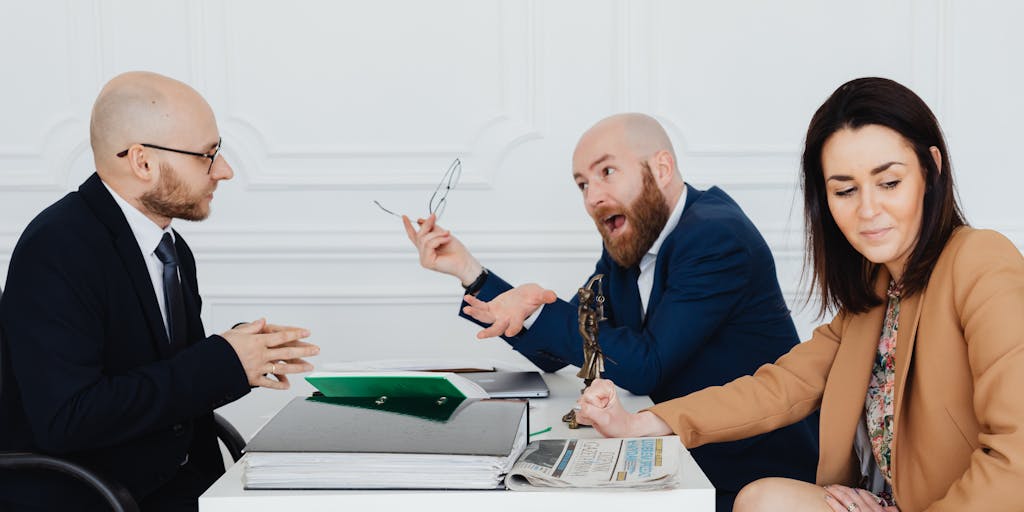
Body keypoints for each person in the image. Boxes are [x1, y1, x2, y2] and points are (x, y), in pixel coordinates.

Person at [575, 77, 1024, 512]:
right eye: (845, 190)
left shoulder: (980, 262)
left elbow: (1017, 455)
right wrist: (639, 424)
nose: (868, 209)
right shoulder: (874, 296)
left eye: (889, 183)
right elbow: (777, 388)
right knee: (761, 499)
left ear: (932, 169)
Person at [404, 113, 819, 511]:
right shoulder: (629, 239)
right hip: (677, 459)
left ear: (661, 168)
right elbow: (563, 347)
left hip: (748, 478)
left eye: (606, 173)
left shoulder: (716, 236)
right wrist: (470, 272)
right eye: (582, 184)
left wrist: (540, 315)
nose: (592, 197)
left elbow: (646, 365)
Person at [0, 71, 320, 511]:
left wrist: (241, 355)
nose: (223, 171)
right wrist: (222, 362)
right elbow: (67, 419)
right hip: (97, 496)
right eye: (207, 156)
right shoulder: (57, 248)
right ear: (142, 162)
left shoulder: (169, 247)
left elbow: (166, 382)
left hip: (178, 487)